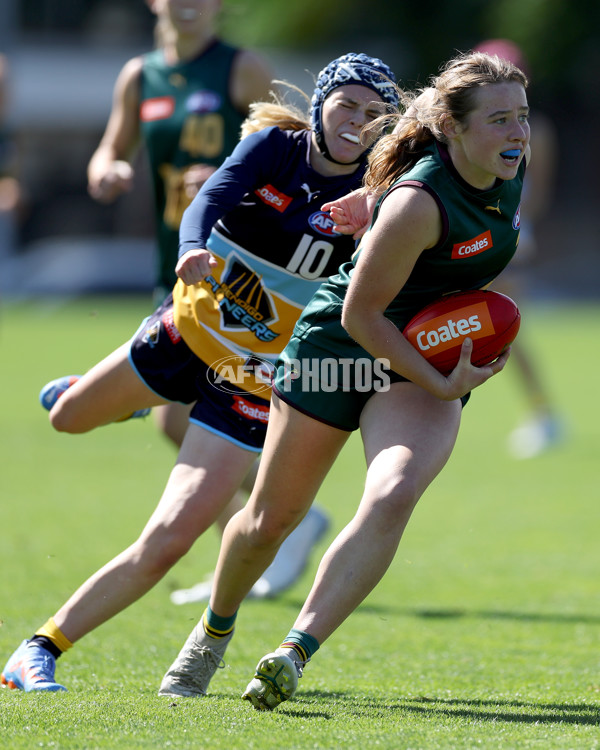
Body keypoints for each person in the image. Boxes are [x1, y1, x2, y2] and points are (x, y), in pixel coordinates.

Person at [0, 51, 399, 693]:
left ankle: (36, 649)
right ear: (321, 103)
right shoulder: (276, 146)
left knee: (170, 540)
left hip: (248, 384)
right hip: (183, 333)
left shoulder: (381, 202)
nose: (358, 120)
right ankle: (125, 401)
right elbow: (208, 198)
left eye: (375, 114)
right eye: (347, 104)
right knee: (66, 419)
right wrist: (190, 250)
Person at [165, 50, 530, 710]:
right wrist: (442, 383)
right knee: (270, 520)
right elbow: (364, 316)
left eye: (522, 118)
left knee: (393, 491)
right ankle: (213, 631)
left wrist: (367, 195)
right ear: (456, 129)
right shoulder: (418, 204)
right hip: (342, 340)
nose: (517, 133)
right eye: (500, 120)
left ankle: (292, 652)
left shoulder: (508, 166)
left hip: (423, 348)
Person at [85, 0, 329, 598]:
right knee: (175, 421)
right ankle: (267, 530)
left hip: (237, 267)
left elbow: (296, 154)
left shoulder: (241, 68)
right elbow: (110, 148)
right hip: (178, 256)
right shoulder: (139, 75)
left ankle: (270, 528)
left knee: (179, 414)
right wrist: (109, 169)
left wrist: (222, 178)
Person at [473, 39, 563, 459]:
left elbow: (537, 191)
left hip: (506, 232)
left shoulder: (536, 130)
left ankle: (544, 415)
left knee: (504, 327)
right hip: (480, 229)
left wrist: (509, 225)